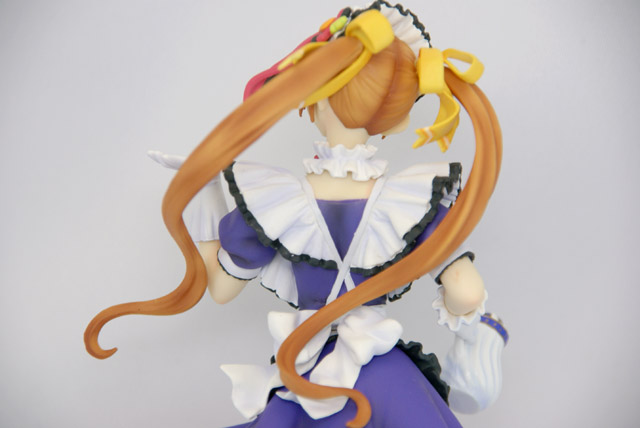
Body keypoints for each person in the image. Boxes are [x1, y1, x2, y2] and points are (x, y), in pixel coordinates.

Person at [85, 2, 505, 427]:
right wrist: (475, 336)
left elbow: (221, 290)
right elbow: (468, 293)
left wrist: (206, 191)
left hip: (307, 370)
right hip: (386, 373)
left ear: (316, 98)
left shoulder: (275, 202)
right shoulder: (411, 200)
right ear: (392, 115)